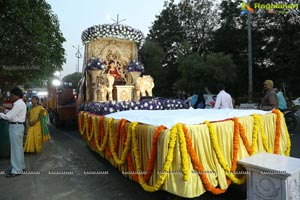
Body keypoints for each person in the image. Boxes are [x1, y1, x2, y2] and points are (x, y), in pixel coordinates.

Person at [0, 87, 26, 177]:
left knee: (15, 150)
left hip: (15, 127)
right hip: (18, 126)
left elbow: (9, 117)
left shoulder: (17, 104)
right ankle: (21, 167)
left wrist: (1, 113)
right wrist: (5, 110)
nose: (10, 97)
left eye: (12, 95)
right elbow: (14, 114)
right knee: (18, 149)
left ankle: (16, 170)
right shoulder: (20, 103)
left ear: (17, 95)